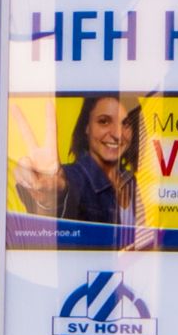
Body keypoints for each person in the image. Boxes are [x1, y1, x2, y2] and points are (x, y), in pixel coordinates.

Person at [50, 93, 147, 244]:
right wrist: (51, 193)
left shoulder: (130, 180)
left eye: (126, 123)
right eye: (104, 121)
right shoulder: (73, 177)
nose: (117, 134)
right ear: (87, 127)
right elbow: (61, 192)